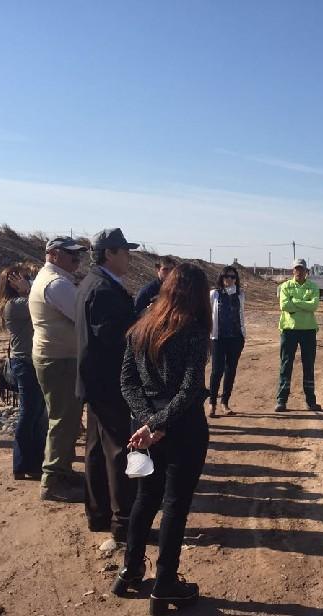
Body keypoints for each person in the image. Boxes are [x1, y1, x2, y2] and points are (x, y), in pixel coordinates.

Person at [113, 263, 211, 613]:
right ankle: (165, 583)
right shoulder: (194, 331)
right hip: (182, 428)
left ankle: (130, 569)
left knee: (145, 498)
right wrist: (157, 424)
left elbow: (128, 383)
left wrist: (147, 423)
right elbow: (190, 389)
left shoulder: (141, 325)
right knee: (174, 506)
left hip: (145, 429)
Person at [75, 228, 139, 545]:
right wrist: (141, 323)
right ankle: (123, 521)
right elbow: (113, 338)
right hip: (108, 382)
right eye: (125, 252)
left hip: (97, 381)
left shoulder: (95, 283)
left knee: (97, 449)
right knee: (117, 450)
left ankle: (98, 513)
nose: (129, 258)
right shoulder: (102, 289)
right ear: (109, 253)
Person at [29, 235, 88, 502]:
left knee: (67, 419)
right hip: (59, 359)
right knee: (63, 421)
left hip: (58, 357)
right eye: (71, 254)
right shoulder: (57, 284)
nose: (77, 259)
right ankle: (53, 480)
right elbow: (84, 316)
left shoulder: (55, 279)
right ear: (53, 254)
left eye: (78, 254)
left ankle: (61, 471)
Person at [0, 264, 47, 481]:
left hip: (28, 362)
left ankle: (32, 462)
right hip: (25, 363)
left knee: (36, 413)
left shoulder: (18, 303)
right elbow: (42, 301)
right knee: (29, 412)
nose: (29, 280)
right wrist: (29, 289)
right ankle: (23, 463)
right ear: (14, 283)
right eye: (25, 278)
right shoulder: (16, 305)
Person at [275, 258, 321, 412]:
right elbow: (284, 305)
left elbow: (314, 305)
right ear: (293, 270)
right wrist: (304, 304)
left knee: (309, 365)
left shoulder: (313, 287)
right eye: (297, 269)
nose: (299, 272)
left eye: (302, 269)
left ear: (306, 271)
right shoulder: (285, 286)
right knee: (286, 364)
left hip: (308, 330)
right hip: (289, 329)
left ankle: (311, 401)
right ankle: (281, 400)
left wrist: (294, 301)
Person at [208, 265, 246, 417]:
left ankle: (225, 402)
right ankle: (212, 403)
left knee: (231, 371)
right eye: (226, 276)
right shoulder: (214, 294)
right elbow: (207, 313)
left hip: (236, 338)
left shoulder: (240, 294)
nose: (229, 279)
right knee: (217, 371)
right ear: (221, 278)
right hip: (218, 338)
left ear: (236, 279)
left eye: (232, 277)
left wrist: (243, 335)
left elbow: (241, 315)